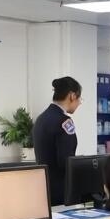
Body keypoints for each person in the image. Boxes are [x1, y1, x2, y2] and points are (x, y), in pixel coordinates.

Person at [32, 76, 82, 206]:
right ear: (72, 96)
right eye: (79, 98)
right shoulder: (64, 121)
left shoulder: (41, 118)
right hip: (61, 191)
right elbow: (66, 160)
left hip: (43, 188)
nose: (80, 103)